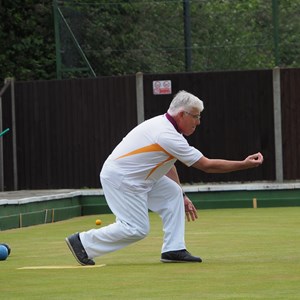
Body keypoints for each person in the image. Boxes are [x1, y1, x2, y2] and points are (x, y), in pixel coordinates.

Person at [65, 90, 264, 265]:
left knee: (173, 193)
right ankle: (82, 242)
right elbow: (207, 166)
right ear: (181, 115)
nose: (198, 122)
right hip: (123, 179)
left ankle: (173, 249)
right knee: (136, 229)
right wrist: (244, 164)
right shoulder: (166, 134)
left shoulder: (167, 128)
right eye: (195, 116)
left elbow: (168, 163)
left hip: (141, 177)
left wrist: (182, 196)